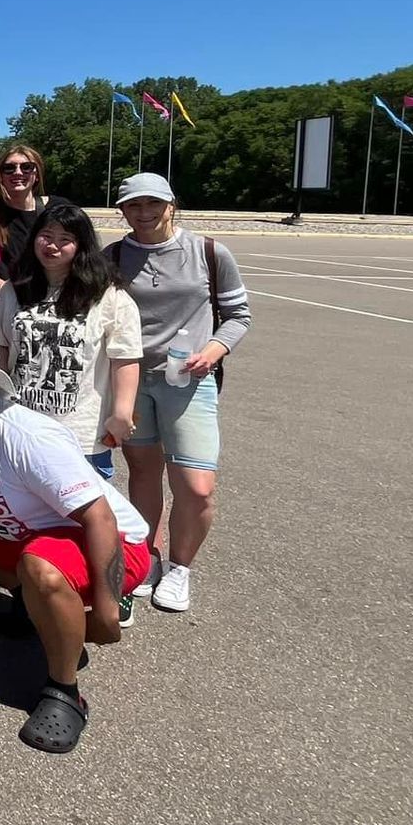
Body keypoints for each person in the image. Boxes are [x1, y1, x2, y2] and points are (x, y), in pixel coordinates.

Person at [0, 346, 151, 754]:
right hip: (36, 536)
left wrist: (108, 610)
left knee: (42, 567)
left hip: (116, 545)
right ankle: (34, 603)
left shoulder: (27, 436)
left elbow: (100, 518)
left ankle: (65, 691)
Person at [109, 173, 251, 615]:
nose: (144, 213)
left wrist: (216, 348)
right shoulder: (112, 256)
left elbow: (238, 315)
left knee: (197, 486)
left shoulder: (209, 252)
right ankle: (145, 557)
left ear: (172, 204)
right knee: (144, 473)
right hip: (132, 380)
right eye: (134, 206)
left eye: (153, 204)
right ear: (123, 211)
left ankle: (181, 567)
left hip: (190, 381)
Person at [0, 201, 142, 490]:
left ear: (81, 246)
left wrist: (121, 413)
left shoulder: (108, 295)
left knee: (86, 517)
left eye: (65, 240)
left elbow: (125, 358)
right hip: (20, 425)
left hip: (80, 433)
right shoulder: (11, 291)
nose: (52, 246)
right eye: (46, 236)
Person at [0, 143, 71, 282]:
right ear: (0, 176)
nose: (18, 172)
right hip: (8, 297)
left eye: (26, 167)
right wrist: (9, 294)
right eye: (9, 168)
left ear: (37, 175)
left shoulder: (60, 207)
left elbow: (81, 252)